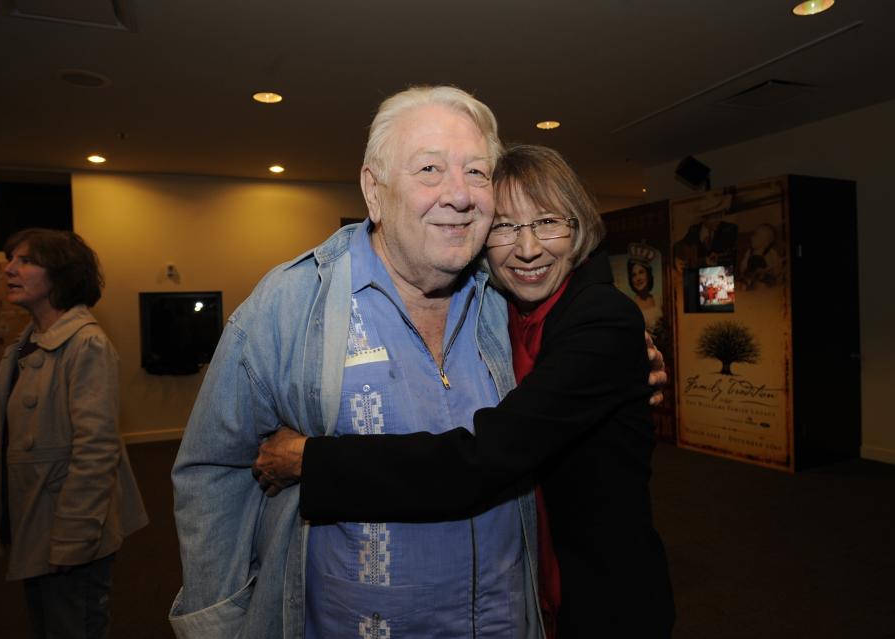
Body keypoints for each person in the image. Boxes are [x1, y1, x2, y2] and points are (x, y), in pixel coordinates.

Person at [253, 145, 676, 637]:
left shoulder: (601, 317)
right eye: (504, 226)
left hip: (605, 597)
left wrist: (312, 459)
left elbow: (480, 459)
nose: (528, 248)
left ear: (578, 228)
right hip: (531, 586)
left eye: (547, 223)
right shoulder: (500, 309)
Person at [169, 86, 545, 639]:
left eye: (477, 172)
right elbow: (213, 472)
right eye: (429, 169)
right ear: (375, 189)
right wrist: (220, 623)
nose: (460, 196)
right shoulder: (292, 302)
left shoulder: (510, 296)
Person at [0, 228, 149, 639]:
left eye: (25, 261)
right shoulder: (28, 344)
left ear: (60, 275)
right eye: (11, 259)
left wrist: (72, 540)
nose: (9, 269)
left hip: (68, 531)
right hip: (34, 522)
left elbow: (96, 452)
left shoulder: (86, 344)